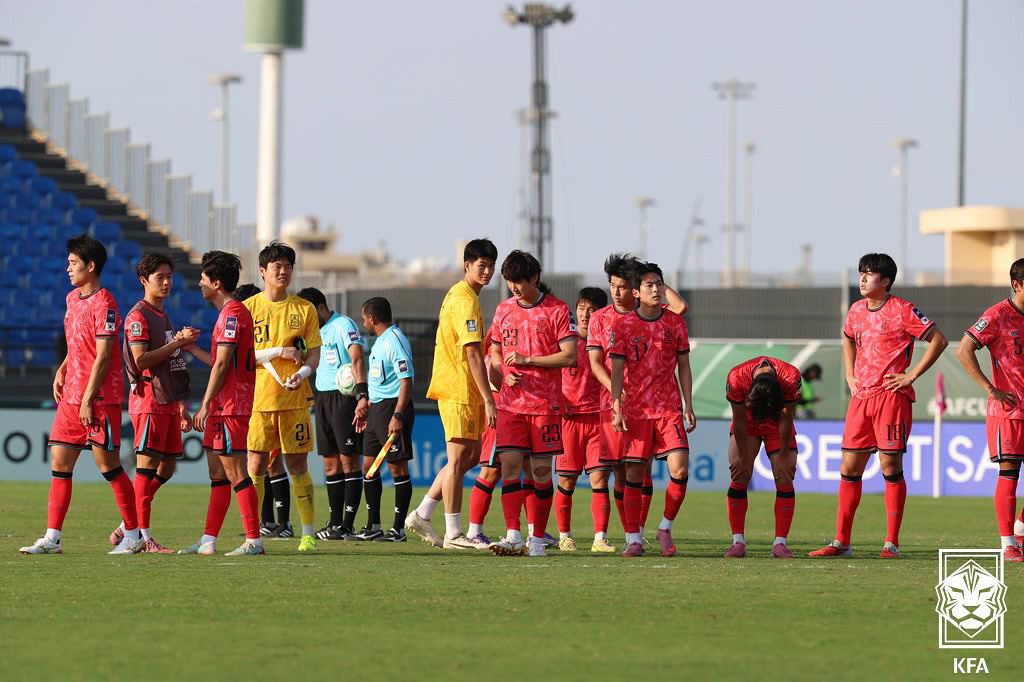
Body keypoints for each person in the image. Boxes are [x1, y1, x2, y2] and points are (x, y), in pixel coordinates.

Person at [810, 253, 947, 559]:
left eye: (869, 274)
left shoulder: (903, 309)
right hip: (861, 398)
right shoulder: (856, 310)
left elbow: (939, 339)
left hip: (891, 397)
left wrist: (911, 375)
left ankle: (891, 542)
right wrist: (849, 373)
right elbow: (847, 339)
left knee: (890, 466)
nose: (862, 278)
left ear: (885, 282)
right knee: (849, 467)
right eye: (861, 272)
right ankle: (841, 542)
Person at [20, 234, 142, 555]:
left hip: (99, 398)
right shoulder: (72, 299)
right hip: (72, 396)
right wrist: (63, 367)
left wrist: (89, 398)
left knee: (109, 466)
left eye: (73, 263)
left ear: (91, 266)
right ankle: (52, 538)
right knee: (60, 462)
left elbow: (103, 356)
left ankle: (133, 534)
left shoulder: (106, 303)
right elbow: (79, 345)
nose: (68, 268)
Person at [587, 253, 688, 544]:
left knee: (644, 472)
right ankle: (631, 533)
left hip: (658, 404)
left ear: (633, 287)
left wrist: (651, 274)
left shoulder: (654, 311)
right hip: (616, 403)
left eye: (622, 285)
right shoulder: (601, 319)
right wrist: (616, 394)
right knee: (623, 472)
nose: (617, 292)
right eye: (612, 286)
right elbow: (596, 363)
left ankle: (640, 532)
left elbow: (680, 307)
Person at [407, 238, 498, 549]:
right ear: (467, 266)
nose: (487, 271)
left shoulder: (465, 295)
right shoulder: (464, 299)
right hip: (459, 387)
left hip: (465, 388)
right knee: (459, 460)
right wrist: (489, 397)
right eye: (481, 265)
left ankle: (423, 512)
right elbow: (473, 353)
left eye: (490, 265)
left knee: (470, 456)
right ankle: (454, 533)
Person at [488, 250, 576, 557]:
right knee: (510, 468)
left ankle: (537, 539)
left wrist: (529, 360)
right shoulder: (502, 310)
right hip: (511, 405)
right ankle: (513, 534)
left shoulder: (558, 310)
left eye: (519, 282)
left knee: (540, 474)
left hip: (545, 406)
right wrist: (505, 371)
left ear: (535, 278)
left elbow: (570, 355)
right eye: (510, 281)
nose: (514, 287)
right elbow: (496, 352)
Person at [178, 251, 263, 556]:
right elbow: (217, 359)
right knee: (217, 473)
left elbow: (224, 363)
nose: (199, 283)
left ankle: (254, 540)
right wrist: (190, 347)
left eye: (203, 278)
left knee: (235, 471)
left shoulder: (233, 313)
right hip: (221, 406)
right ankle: (208, 540)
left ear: (216, 283)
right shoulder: (225, 315)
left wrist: (204, 404)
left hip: (232, 405)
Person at [109, 253, 196, 553]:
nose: (167, 282)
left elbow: (170, 360)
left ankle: (127, 523)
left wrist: (181, 403)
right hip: (148, 400)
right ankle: (143, 538)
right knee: (145, 469)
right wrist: (178, 343)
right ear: (144, 280)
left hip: (167, 401)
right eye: (160, 277)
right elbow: (140, 359)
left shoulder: (162, 314)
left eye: (170, 276)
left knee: (168, 467)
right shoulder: (138, 316)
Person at [609, 261, 695, 558]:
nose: (657, 289)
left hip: (669, 408)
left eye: (659, 284)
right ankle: (633, 537)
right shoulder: (623, 325)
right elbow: (617, 370)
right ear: (636, 292)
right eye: (650, 285)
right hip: (635, 411)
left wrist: (689, 405)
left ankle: (665, 527)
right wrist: (616, 406)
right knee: (634, 473)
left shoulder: (675, 323)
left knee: (680, 467)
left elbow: (684, 365)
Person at [243, 241, 322, 552]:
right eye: (277, 266)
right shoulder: (248, 309)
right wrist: (278, 352)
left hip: (294, 401)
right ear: (262, 272)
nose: (283, 271)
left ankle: (307, 534)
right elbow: (242, 357)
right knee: (255, 464)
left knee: (298, 465)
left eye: (288, 266)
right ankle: (253, 534)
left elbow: (313, 356)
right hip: (259, 401)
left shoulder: (304, 309)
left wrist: (300, 375)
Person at [956, 258, 1024, 562]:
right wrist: (990, 388)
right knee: (1009, 474)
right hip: (1009, 411)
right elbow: (964, 349)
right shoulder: (997, 316)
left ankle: (1021, 528)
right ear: (1016, 285)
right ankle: (1008, 542)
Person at [297, 287, 369, 541]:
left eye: (307, 312)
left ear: (318, 307)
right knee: (329, 464)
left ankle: (347, 526)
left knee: (348, 460)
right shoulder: (314, 331)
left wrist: (362, 394)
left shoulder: (343, 324)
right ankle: (334, 522)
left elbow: (357, 357)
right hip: (323, 398)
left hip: (344, 397)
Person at [723, 356, 802, 559]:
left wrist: (784, 454)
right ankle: (738, 541)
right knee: (739, 473)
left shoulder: (791, 378)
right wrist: (741, 455)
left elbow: (786, 416)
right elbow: (739, 419)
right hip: (748, 425)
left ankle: (780, 544)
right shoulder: (736, 377)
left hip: (777, 424)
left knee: (785, 475)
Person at [555, 287, 614, 553]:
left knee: (600, 480)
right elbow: (551, 375)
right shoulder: (565, 341)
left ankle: (600, 538)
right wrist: (559, 400)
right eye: (581, 308)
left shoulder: (606, 344)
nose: (585, 314)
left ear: (601, 312)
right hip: (569, 420)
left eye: (591, 309)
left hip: (599, 420)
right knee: (566, 481)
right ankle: (564, 536)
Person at [355, 297, 416, 542]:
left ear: (372, 318)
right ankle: (373, 526)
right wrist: (368, 403)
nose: (363, 322)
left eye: (364, 318)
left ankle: (398, 530)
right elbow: (383, 378)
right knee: (368, 468)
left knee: (397, 468)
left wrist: (397, 415)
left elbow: (406, 380)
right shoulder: (381, 341)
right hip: (377, 410)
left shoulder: (395, 341)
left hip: (393, 408)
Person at [234, 282, 286, 530]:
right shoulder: (247, 326)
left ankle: (282, 522)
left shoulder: (270, 324)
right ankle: (265, 522)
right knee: (258, 464)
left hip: (273, 398)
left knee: (272, 463)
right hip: (252, 400)